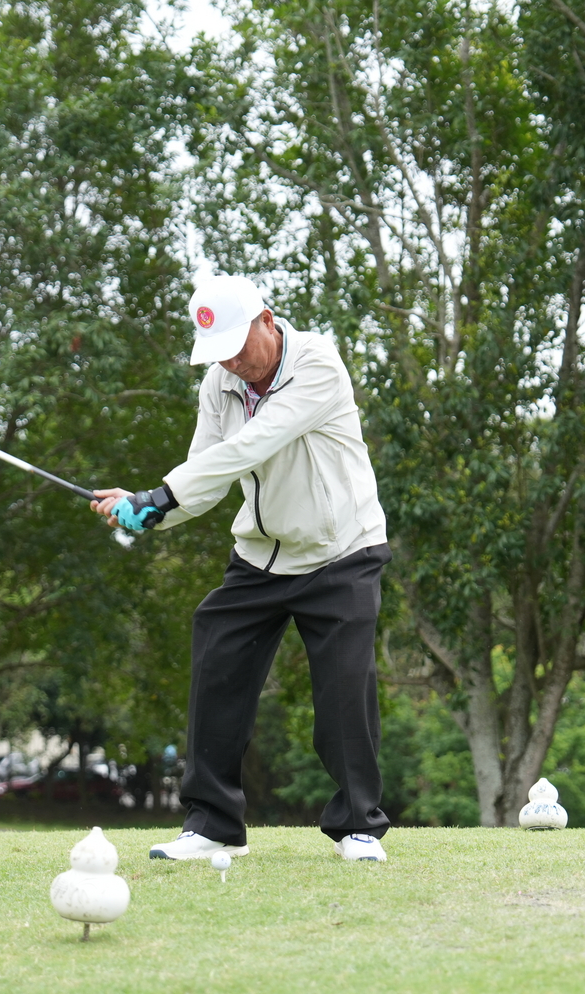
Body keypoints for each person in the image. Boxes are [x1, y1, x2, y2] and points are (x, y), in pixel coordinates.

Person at [91, 275, 393, 863]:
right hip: (261, 556)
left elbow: (251, 445)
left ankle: (358, 826)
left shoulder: (317, 364)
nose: (230, 362)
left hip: (341, 552)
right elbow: (206, 472)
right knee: (218, 663)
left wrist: (161, 494)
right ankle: (213, 823)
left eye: (236, 346)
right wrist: (149, 512)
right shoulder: (220, 383)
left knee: (344, 693)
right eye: (218, 352)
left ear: (267, 321)